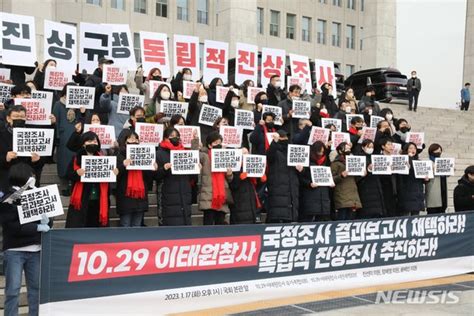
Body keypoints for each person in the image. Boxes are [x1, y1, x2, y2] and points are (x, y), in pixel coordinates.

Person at [0, 163, 51, 316]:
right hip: (14, 251)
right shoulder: (9, 198)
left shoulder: (37, 194)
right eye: (32, 175)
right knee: (13, 290)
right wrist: (36, 228)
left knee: (36, 290)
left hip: (35, 250)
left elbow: (49, 222)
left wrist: (46, 221)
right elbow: (11, 226)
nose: (34, 178)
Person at [65, 131, 118, 228]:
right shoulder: (76, 158)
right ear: (83, 143)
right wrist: (77, 173)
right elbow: (68, 174)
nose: (93, 143)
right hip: (82, 199)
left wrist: (114, 172)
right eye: (89, 141)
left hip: (98, 199)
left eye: (95, 141)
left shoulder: (104, 159)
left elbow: (108, 176)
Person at [156, 127, 198, 226]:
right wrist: (164, 169)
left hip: (184, 193)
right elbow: (155, 175)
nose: (175, 138)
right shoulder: (159, 154)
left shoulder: (184, 153)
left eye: (177, 136)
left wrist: (196, 168)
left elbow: (193, 178)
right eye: (171, 136)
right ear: (165, 138)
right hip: (167, 195)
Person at [0, 105, 45, 195]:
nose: (19, 119)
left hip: (28, 179)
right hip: (6, 180)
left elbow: (42, 159)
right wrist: (6, 158)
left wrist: (37, 160)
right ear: (8, 118)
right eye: (16, 117)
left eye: (22, 117)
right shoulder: (1, 135)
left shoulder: (34, 135)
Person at [115, 130, 157, 227]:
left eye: (136, 138)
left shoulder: (144, 155)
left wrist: (152, 168)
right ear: (124, 141)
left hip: (140, 198)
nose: (134, 140)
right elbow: (115, 174)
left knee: (137, 226)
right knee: (125, 225)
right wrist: (123, 165)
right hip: (125, 196)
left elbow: (149, 177)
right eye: (130, 138)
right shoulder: (119, 155)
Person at [52, 83, 83, 196]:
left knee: (75, 160)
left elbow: (84, 120)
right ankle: (64, 185)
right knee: (64, 161)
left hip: (77, 137)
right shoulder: (58, 104)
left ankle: (73, 184)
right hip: (64, 137)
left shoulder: (81, 106)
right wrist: (58, 137)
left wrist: (83, 112)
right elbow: (56, 121)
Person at [266, 130, 301, 223]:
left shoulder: (293, 152)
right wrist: (274, 142)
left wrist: (302, 169)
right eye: (283, 137)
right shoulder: (275, 151)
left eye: (286, 136)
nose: (286, 139)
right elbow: (269, 156)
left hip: (292, 191)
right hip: (278, 191)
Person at [198, 132, 233, 225]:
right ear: (210, 145)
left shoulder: (225, 157)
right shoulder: (205, 156)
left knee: (220, 223)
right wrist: (195, 142)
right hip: (209, 195)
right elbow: (194, 155)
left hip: (221, 195)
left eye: (220, 143)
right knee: (208, 224)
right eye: (216, 143)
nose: (219, 145)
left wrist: (229, 174)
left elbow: (229, 179)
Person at [298, 141, 332, 222]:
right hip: (310, 197)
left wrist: (330, 183)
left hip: (323, 198)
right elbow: (301, 178)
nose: (320, 154)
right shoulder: (306, 162)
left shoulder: (326, 162)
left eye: (322, 152)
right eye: (319, 151)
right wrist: (309, 184)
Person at [229, 148, 262, 224]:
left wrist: (261, 179)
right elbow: (233, 186)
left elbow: (256, 186)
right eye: (243, 153)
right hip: (239, 206)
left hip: (251, 205)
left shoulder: (252, 167)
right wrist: (239, 178)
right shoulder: (234, 167)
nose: (246, 155)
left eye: (247, 153)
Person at [330, 142, 362, 220]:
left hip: (352, 194)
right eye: (346, 148)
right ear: (340, 151)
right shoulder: (336, 163)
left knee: (351, 218)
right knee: (342, 218)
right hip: (342, 194)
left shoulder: (352, 162)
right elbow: (330, 179)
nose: (348, 150)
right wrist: (341, 176)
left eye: (349, 148)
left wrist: (361, 174)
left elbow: (355, 179)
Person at [355, 140, 386, 219]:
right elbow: (357, 177)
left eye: (372, 147)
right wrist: (368, 170)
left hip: (376, 189)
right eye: (368, 147)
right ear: (363, 147)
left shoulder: (374, 158)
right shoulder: (359, 159)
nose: (371, 149)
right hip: (366, 190)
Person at [397, 142, 427, 216]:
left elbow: (422, 178)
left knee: (415, 217)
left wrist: (426, 179)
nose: (412, 150)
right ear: (406, 150)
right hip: (406, 191)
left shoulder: (419, 162)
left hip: (417, 192)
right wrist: (409, 158)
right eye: (410, 148)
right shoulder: (402, 160)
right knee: (405, 217)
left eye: (414, 148)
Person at [425, 144, 448, 214]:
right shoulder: (428, 162)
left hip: (442, 186)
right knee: (433, 209)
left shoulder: (442, 162)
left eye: (440, 150)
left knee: (442, 208)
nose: (439, 152)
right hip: (433, 188)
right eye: (437, 150)